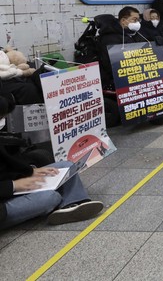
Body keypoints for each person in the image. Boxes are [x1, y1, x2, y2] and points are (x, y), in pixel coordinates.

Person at [0, 96, 104, 229]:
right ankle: (60, 205)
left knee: (66, 166)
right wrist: (13, 185)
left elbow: (7, 163)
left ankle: (74, 203)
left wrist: (30, 171)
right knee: (50, 197)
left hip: (10, 187)